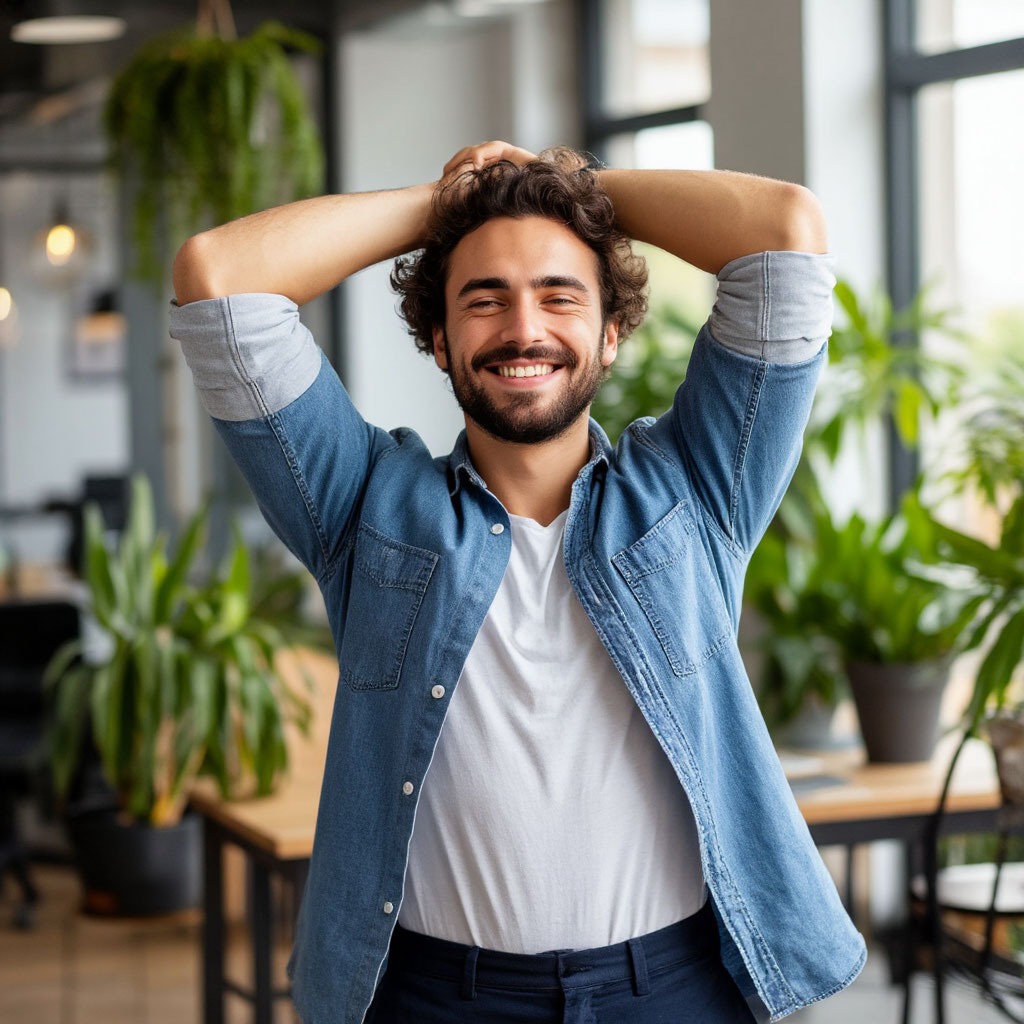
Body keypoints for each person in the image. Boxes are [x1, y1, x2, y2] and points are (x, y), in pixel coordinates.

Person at [171, 141, 865, 1024]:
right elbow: (219, 278)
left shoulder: (697, 487)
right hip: (433, 1000)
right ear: (439, 339)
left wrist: (568, 190)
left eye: (560, 296)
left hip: (673, 991)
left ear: (611, 335)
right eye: (484, 299)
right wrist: (450, 202)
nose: (523, 329)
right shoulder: (363, 505)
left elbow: (786, 232)